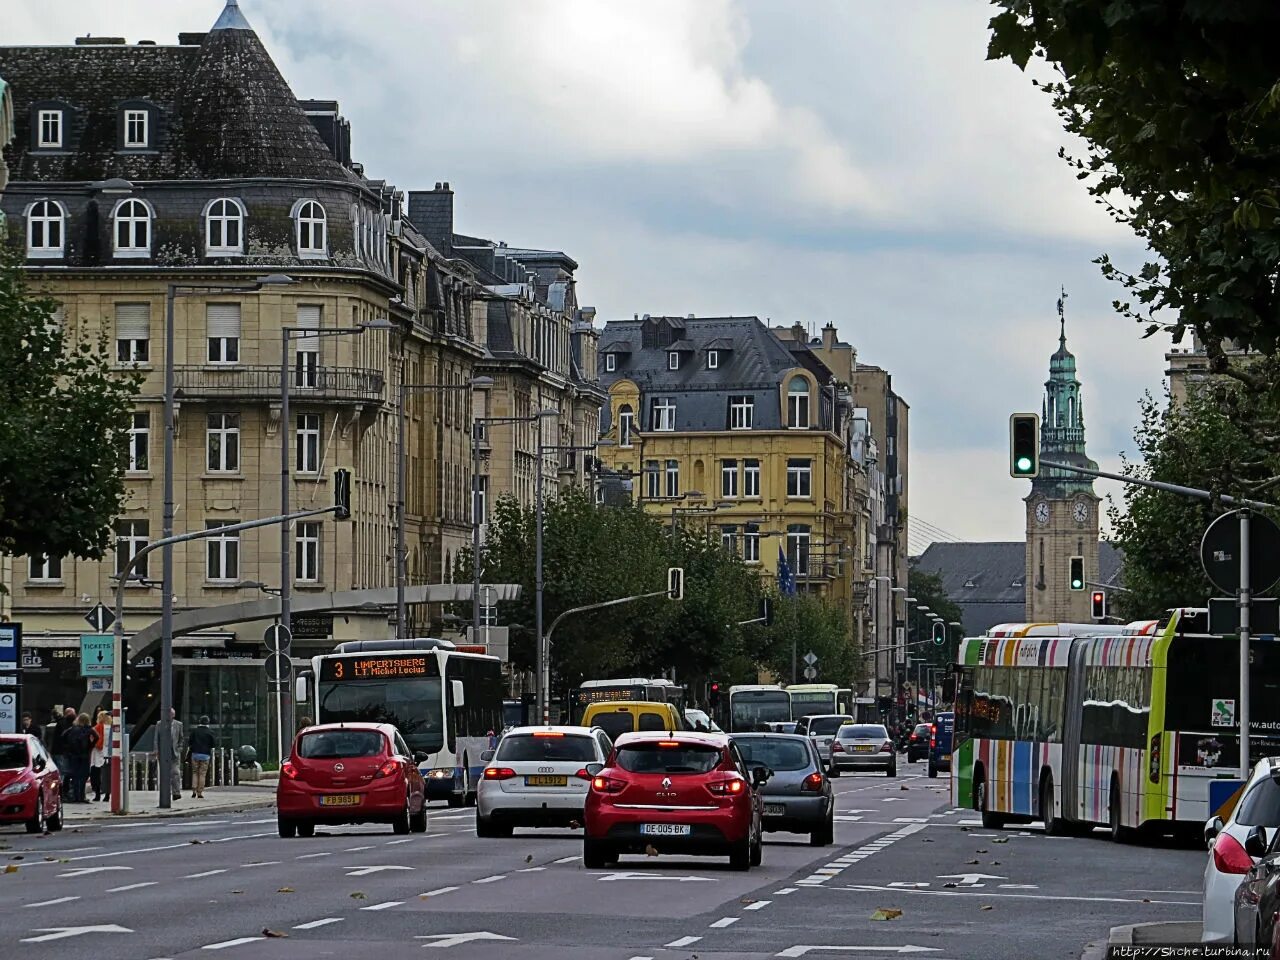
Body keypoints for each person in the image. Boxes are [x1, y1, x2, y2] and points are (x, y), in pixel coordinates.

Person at [63, 713, 98, 803]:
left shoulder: (72, 729)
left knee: (75, 776)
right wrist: (90, 746)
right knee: (83, 776)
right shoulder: (89, 729)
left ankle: (75, 796)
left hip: (73, 755)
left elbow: (63, 736)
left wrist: (68, 748)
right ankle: (82, 796)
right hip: (84, 755)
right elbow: (97, 737)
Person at [188, 716, 216, 799]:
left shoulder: (195, 731)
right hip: (205, 755)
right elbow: (213, 744)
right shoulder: (210, 732)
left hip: (195, 754)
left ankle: (193, 790)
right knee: (202, 773)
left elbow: (190, 742)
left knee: (194, 772)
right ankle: (199, 792)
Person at [90, 708, 111, 802]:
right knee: (107, 776)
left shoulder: (96, 728)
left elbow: (91, 740)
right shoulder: (112, 728)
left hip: (97, 753)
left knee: (96, 775)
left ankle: (97, 794)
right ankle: (107, 795)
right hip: (109, 753)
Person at [166, 708, 184, 801]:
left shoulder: (179, 724)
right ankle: (166, 792)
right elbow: (156, 738)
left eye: (172, 714)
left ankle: (176, 792)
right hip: (164, 753)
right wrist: (156, 750)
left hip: (174, 753)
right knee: (165, 774)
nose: (170, 716)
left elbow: (181, 738)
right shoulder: (160, 724)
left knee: (175, 772)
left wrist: (179, 748)